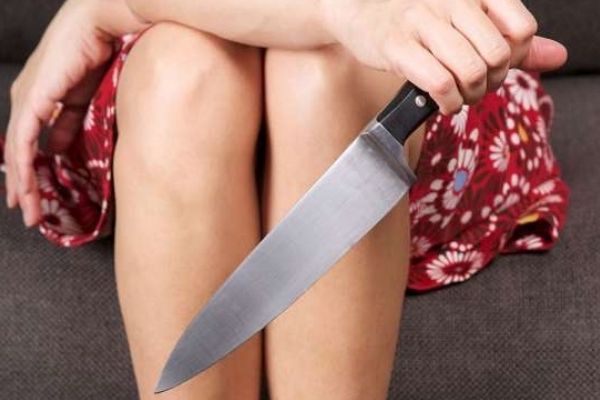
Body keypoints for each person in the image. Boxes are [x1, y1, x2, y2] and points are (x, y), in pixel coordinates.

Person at [0, 0, 570, 398]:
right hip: (174, 66)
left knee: (321, 80)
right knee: (184, 75)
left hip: (406, 90)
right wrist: (343, 11)